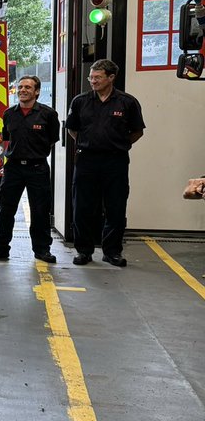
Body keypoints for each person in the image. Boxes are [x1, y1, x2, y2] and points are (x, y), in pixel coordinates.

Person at [66, 58, 145, 266]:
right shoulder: (80, 101)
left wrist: (118, 144)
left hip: (115, 162)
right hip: (86, 161)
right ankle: (84, 251)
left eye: (97, 77)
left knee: (116, 207)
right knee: (82, 207)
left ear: (111, 77)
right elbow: (72, 129)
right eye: (91, 77)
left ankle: (112, 252)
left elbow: (137, 131)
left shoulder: (127, 102)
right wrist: (88, 143)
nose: (93, 81)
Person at [0, 76, 60, 263]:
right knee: (6, 209)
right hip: (13, 168)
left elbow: (52, 139)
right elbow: (6, 136)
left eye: (28, 87)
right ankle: (0, 247)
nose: (23, 90)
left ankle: (42, 250)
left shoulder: (48, 114)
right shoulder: (9, 113)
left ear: (36, 91)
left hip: (37, 167)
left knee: (40, 210)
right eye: (20, 87)